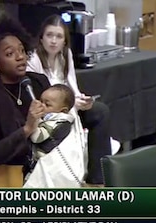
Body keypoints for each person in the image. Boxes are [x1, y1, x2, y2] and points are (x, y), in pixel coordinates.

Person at [26, 14, 112, 185]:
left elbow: (72, 86)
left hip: (67, 107)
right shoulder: (33, 60)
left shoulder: (66, 56)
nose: (53, 41)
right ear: (41, 37)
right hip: (49, 112)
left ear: (64, 41)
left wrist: (81, 100)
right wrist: (71, 105)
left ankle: (98, 176)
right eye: (49, 35)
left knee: (100, 111)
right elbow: (41, 99)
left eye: (58, 36)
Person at [0, 14, 51, 186]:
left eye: (21, 50)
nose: (20, 57)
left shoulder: (38, 82)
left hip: (44, 175)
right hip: (2, 181)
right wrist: (26, 129)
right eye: (10, 53)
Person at [30, 84, 75, 159]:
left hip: (45, 162)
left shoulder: (54, 123)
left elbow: (36, 138)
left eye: (47, 105)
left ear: (63, 111)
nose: (41, 105)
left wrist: (34, 120)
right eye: (41, 101)